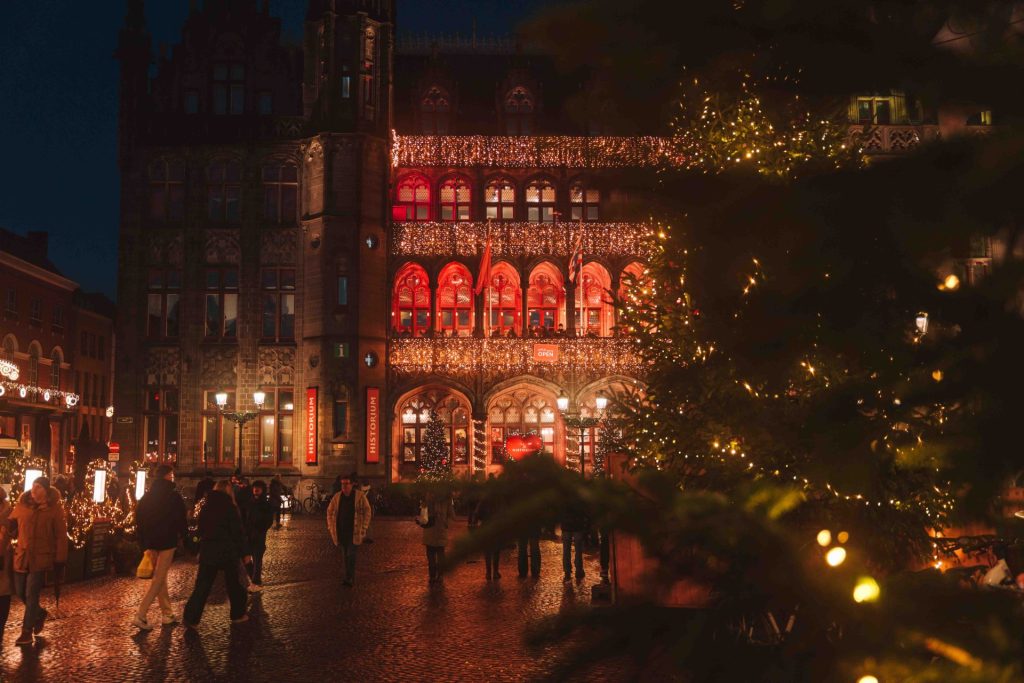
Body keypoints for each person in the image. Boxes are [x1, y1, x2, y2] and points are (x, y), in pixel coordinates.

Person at [183, 481, 252, 627]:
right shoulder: (230, 507)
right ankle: (238, 614)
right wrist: (245, 553)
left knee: (202, 586)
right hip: (228, 551)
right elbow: (238, 533)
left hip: (209, 551)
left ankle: (191, 618)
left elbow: (200, 529)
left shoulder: (206, 507)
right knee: (234, 586)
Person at [10, 477, 67, 646]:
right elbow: (12, 523)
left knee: (31, 593)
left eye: (38, 487)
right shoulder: (23, 505)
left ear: (46, 490)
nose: (34, 490)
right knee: (19, 591)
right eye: (33, 486)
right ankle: (40, 613)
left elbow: (60, 536)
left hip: (41, 557)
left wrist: (59, 559)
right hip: (22, 556)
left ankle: (26, 632)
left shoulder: (54, 509)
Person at [133, 464, 188, 629]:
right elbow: (181, 520)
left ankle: (167, 614)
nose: (173, 477)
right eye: (171, 474)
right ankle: (141, 615)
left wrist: (143, 542)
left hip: (150, 542)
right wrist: (185, 538)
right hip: (167, 541)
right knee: (158, 579)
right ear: (167, 476)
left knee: (161, 577)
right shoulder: (173, 497)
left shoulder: (147, 497)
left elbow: (139, 520)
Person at [326, 475, 372, 586]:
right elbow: (330, 512)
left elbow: (367, 511)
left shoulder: (359, 497)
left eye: (347, 483)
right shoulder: (337, 497)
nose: (344, 486)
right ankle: (347, 576)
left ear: (352, 485)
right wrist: (330, 526)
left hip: (354, 532)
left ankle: (349, 577)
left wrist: (364, 527)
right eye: (342, 484)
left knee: (351, 554)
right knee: (345, 555)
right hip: (341, 531)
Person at [417, 492, 456, 585]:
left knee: (434, 554)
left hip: (434, 531)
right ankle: (436, 575)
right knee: (436, 554)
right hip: (435, 531)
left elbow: (451, 515)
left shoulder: (430, 499)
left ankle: (435, 575)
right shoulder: (431, 499)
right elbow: (452, 516)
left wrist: (445, 523)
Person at [243, 480, 274, 592]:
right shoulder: (249, 502)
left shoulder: (266, 504)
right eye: (255, 487)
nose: (256, 489)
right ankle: (254, 580)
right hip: (248, 535)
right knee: (246, 558)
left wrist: (260, 527)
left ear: (262, 490)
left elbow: (269, 520)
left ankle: (256, 582)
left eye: (258, 488)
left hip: (259, 535)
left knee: (257, 559)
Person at [472, 474, 502, 580]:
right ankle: (495, 571)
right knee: (496, 551)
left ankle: (488, 572)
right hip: (496, 526)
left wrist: (475, 522)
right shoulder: (499, 499)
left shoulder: (484, 498)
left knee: (488, 551)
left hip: (486, 526)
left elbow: (477, 512)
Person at [560, 499, 589, 583]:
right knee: (578, 550)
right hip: (578, 524)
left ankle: (567, 572)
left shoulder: (563, 493)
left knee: (566, 550)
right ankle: (579, 570)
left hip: (566, 525)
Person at [0, 489, 15, 647]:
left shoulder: (8, 512)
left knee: (3, 592)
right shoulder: (9, 510)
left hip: (2, 556)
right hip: (4, 555)